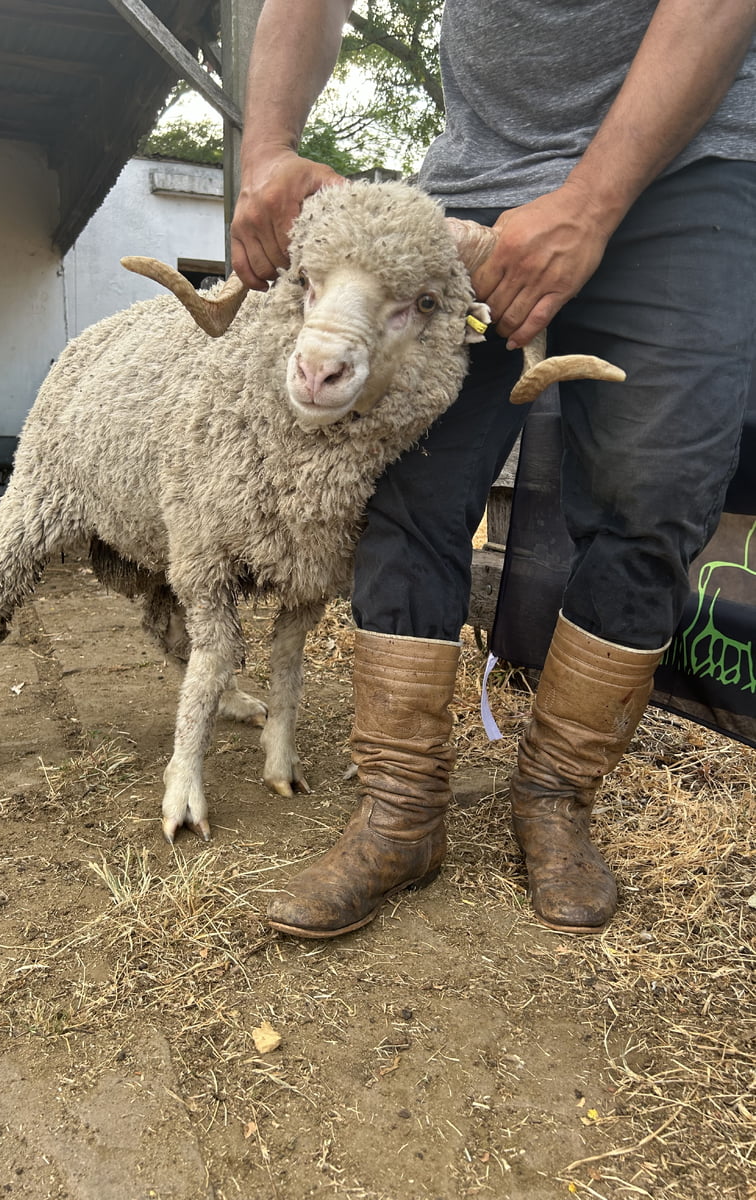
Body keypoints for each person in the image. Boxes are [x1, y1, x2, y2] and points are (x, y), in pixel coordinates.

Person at [230, 0, 756, 938]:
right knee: (407, 481)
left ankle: (556, 800)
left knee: (655, 496)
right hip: (476, 187)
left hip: (692, 169)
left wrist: (592, 205)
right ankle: (401, 813)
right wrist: (265, 148)